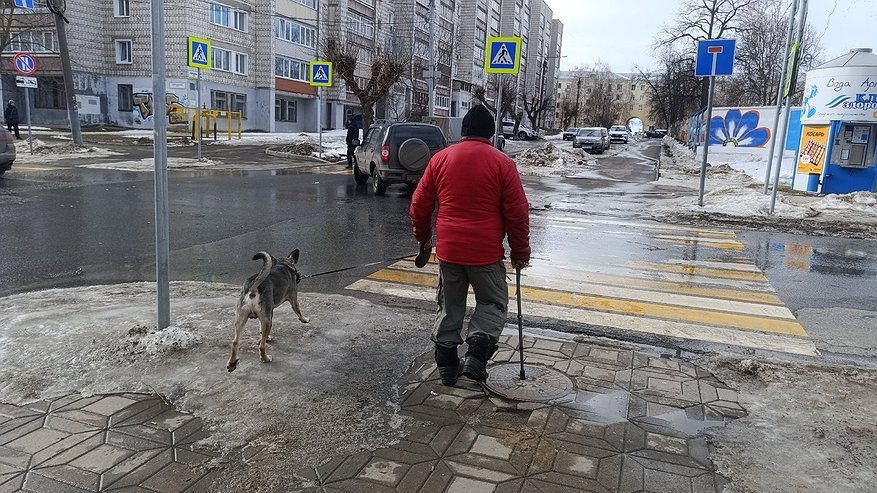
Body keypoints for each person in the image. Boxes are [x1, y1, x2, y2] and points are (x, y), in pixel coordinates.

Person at [409, 104, 531, 386]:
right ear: (491, 133)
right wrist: (520, 252)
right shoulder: (502, 163)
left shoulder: (440, 159)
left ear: (463, 131)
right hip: (486, 254)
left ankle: (448, 366)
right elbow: (517, 213)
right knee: (492, 302)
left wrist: (424, 238)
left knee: (449, 305)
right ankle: (476, 356)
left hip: (449, 251)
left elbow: (419, 205)